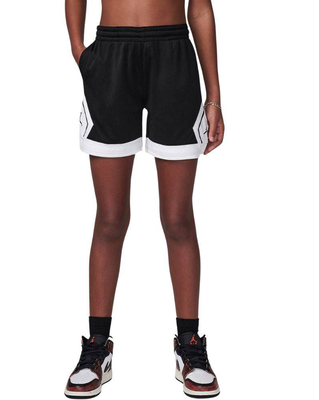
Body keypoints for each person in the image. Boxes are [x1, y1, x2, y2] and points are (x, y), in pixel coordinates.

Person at [64, 0, 224, 397]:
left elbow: (200, 8)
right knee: (110, 217)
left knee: (178, 217)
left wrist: (214, 96)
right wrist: (80, 51)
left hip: (174, 55)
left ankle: (189, 345)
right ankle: (97, 346)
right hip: (110, 57)